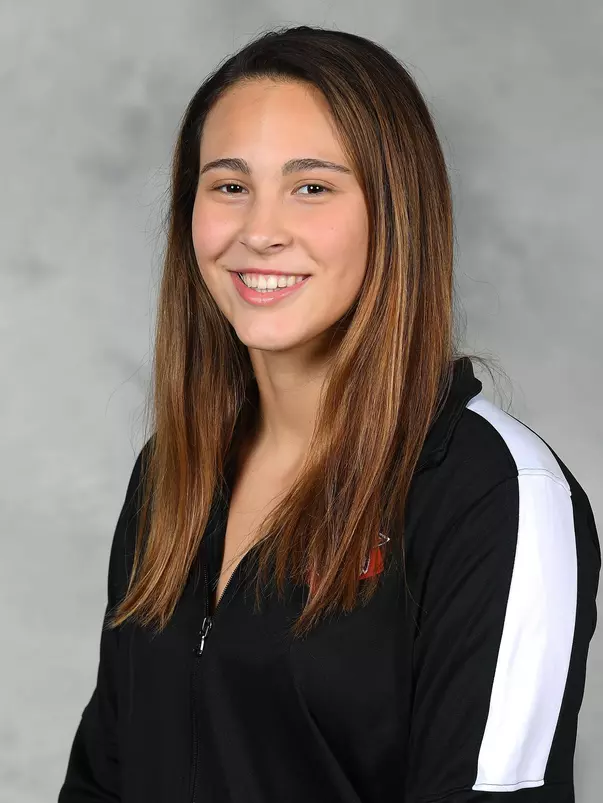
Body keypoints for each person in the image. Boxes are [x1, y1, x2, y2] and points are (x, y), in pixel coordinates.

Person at [58, 24, 600, 803]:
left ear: (394, 212)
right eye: (228, 185)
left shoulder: (495, 495)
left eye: (312, 186)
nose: (260, 231)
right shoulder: (172, 473)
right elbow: (104, 777)